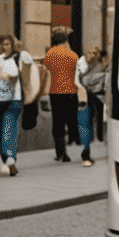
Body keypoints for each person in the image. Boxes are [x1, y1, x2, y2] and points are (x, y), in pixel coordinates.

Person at [0, 33, 33, 176]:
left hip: (14, 100)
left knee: (9, 129)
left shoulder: (20, 57)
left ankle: (11, 160)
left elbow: (28, 64)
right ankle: (7, 159)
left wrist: (21, 50)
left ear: (12, 45)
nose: (5, 46)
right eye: (3, 44)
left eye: (8, 44)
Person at [42, 28, 81, 163]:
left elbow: (46, 70)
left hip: (55, 93)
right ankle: (75, 138)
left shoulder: (50, 54)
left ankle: (61, 153)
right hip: (71, 92)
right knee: (71, 119)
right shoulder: (73, 55)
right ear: (65, 41)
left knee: (57, 122)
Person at [77, 45, 106, 165]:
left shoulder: (82, 68)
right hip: (97, 98)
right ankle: (89, 147)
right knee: (92, 123)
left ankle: (86, 150)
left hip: (85, 98)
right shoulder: (101, 68)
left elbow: (81, 82)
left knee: (85, 124)